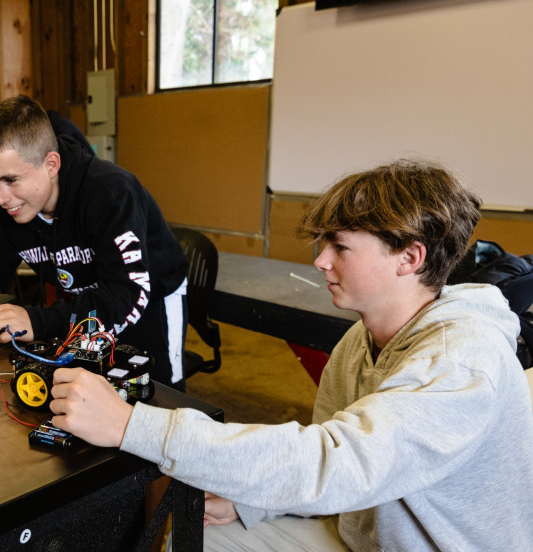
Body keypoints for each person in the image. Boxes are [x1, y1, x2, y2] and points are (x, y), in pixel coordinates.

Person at [48, 160, 533, 550]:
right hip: (360, 533)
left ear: (410, 258)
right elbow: (336, 471)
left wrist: (130, 425)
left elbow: (332, 463)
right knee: (192, 536)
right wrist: (254, 506)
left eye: (340, 246)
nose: (321, 260)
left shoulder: (461, 360)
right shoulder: (360, 341)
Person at [0, 96, 189, 388]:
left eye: (10, 180)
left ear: (51, 164)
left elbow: (127, 296)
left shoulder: (110, 194)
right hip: (89, 304)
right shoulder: (4, 213)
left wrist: (38, 321)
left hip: (149, 299)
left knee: (156, 391)